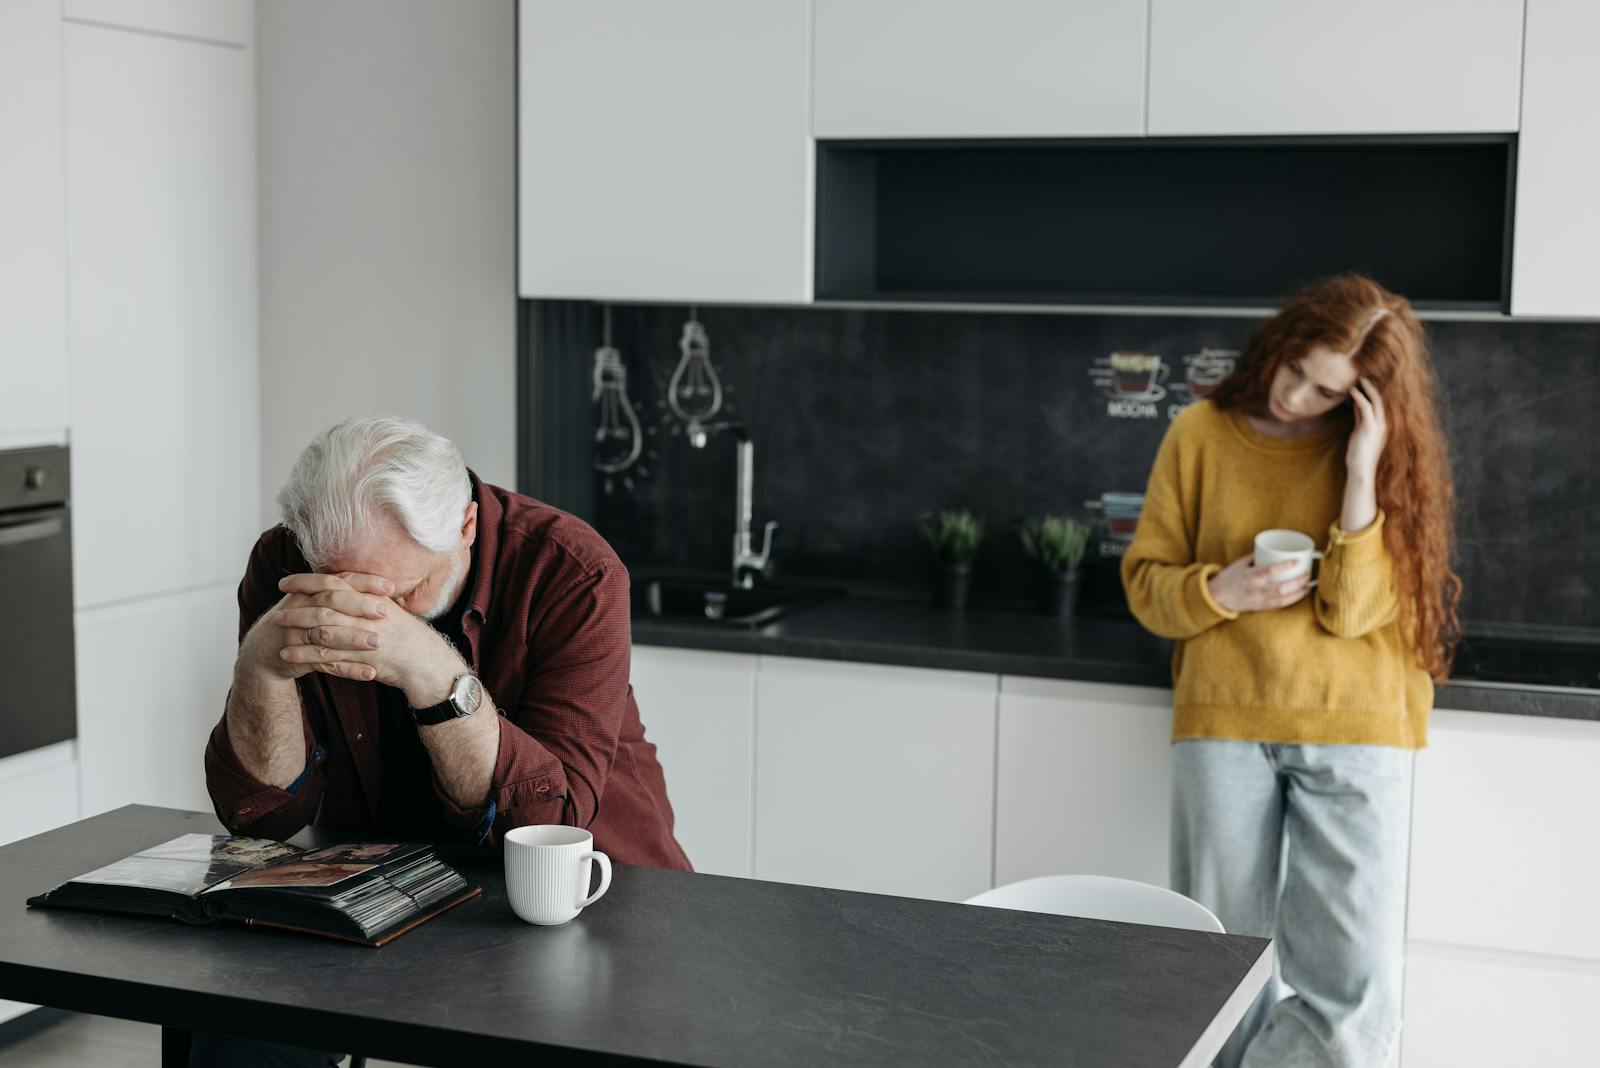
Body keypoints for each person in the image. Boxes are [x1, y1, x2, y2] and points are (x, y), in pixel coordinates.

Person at [195, 415, 689, 1067]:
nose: (374, 621)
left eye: (401, 595)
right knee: (237, 1030)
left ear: (465, 528)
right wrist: (261, 665)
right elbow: (263, 816)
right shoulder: (286, 562)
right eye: (347, 596)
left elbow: (546, 819)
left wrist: (430, 668)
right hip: (382, 881)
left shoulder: (574, 569)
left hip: (584, 892)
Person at [1121, 275, 1461, 1068]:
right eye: (1296, 369)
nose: (1298, 397)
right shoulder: (1199, 433)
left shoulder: (1379, 457)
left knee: (1355, 991)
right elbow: (1146, 584)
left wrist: (1359, 474)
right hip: (1226, 717)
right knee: (1215, 973)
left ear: (1364, 400)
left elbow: (1351, 611)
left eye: (1326, 391)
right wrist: (1220, 589)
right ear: (1280, 340)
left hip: (1356, 723)